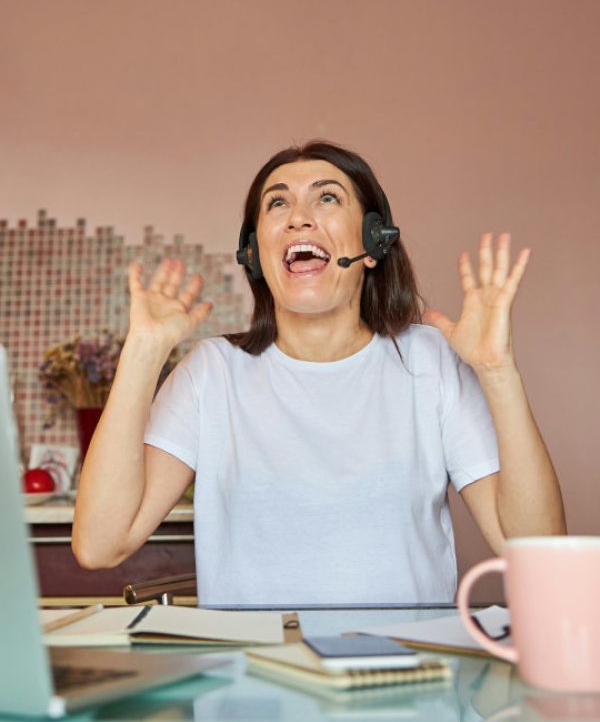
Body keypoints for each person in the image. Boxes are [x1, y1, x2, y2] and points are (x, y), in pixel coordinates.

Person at [72, 140, 565, 605]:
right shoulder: (212, 373)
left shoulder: (428, 361)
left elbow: (537, 557)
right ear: (255, 254)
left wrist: (498, 372)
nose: (299, 219)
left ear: (373, 243)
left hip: (402, 681)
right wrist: (143, 351)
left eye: (327, 198)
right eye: (277, 205)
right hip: (254, 688)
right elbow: (99, 545)